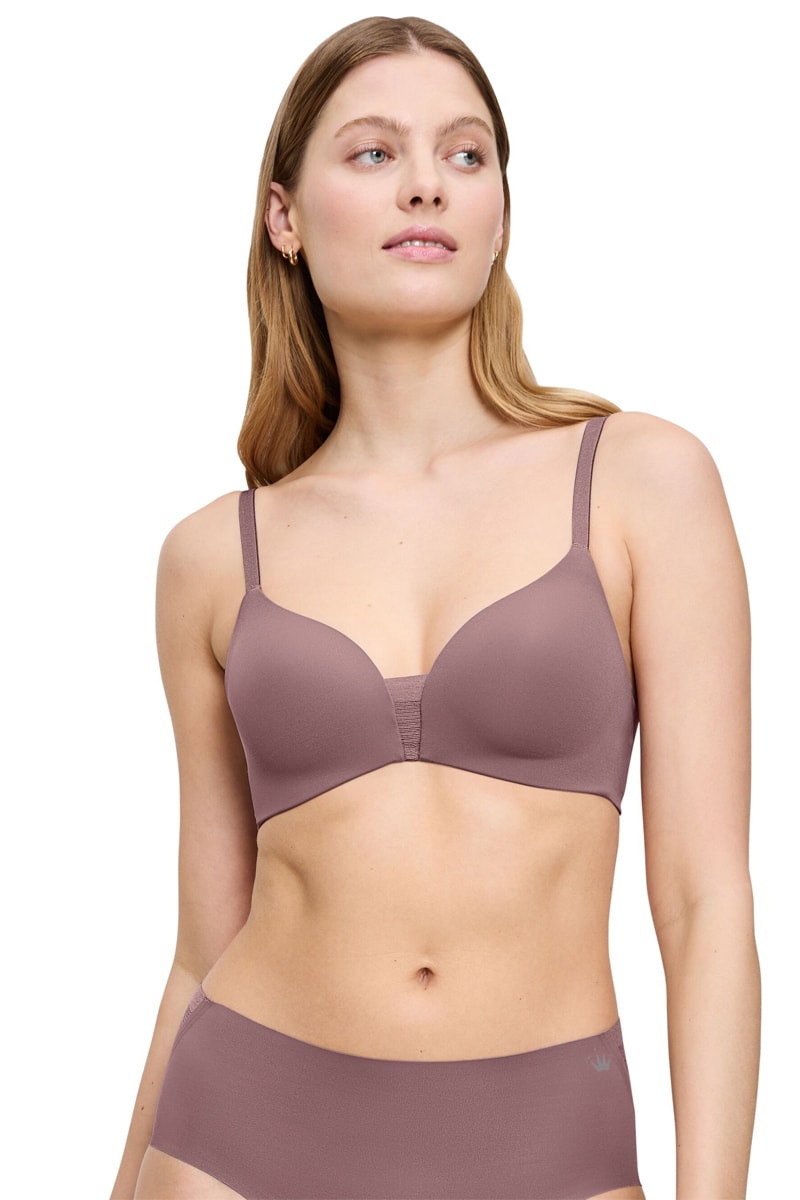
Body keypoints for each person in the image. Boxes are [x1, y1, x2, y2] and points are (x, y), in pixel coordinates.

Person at [111, 15, 760, 1200]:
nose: (425, 183)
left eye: (465, 154)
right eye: (372, 152)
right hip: (234, 1144)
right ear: (283, 217)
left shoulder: (638, 480)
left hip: (544, 1147)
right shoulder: (212, 556)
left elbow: (702, 902)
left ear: (499, 211)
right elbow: (203, 948)